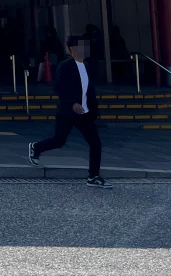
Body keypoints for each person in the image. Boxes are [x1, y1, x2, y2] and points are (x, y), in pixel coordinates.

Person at [28, 35, 110, 188]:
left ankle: (93, 176)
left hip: (85, 113)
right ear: (72, 49)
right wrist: (72, 103)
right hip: (68, 113)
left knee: (95, 143)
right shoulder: (65, 66)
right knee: (59, 140)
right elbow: (59, 87)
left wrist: (93, 110)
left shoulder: (87, 66)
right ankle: (36, 147)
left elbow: (89, 90)